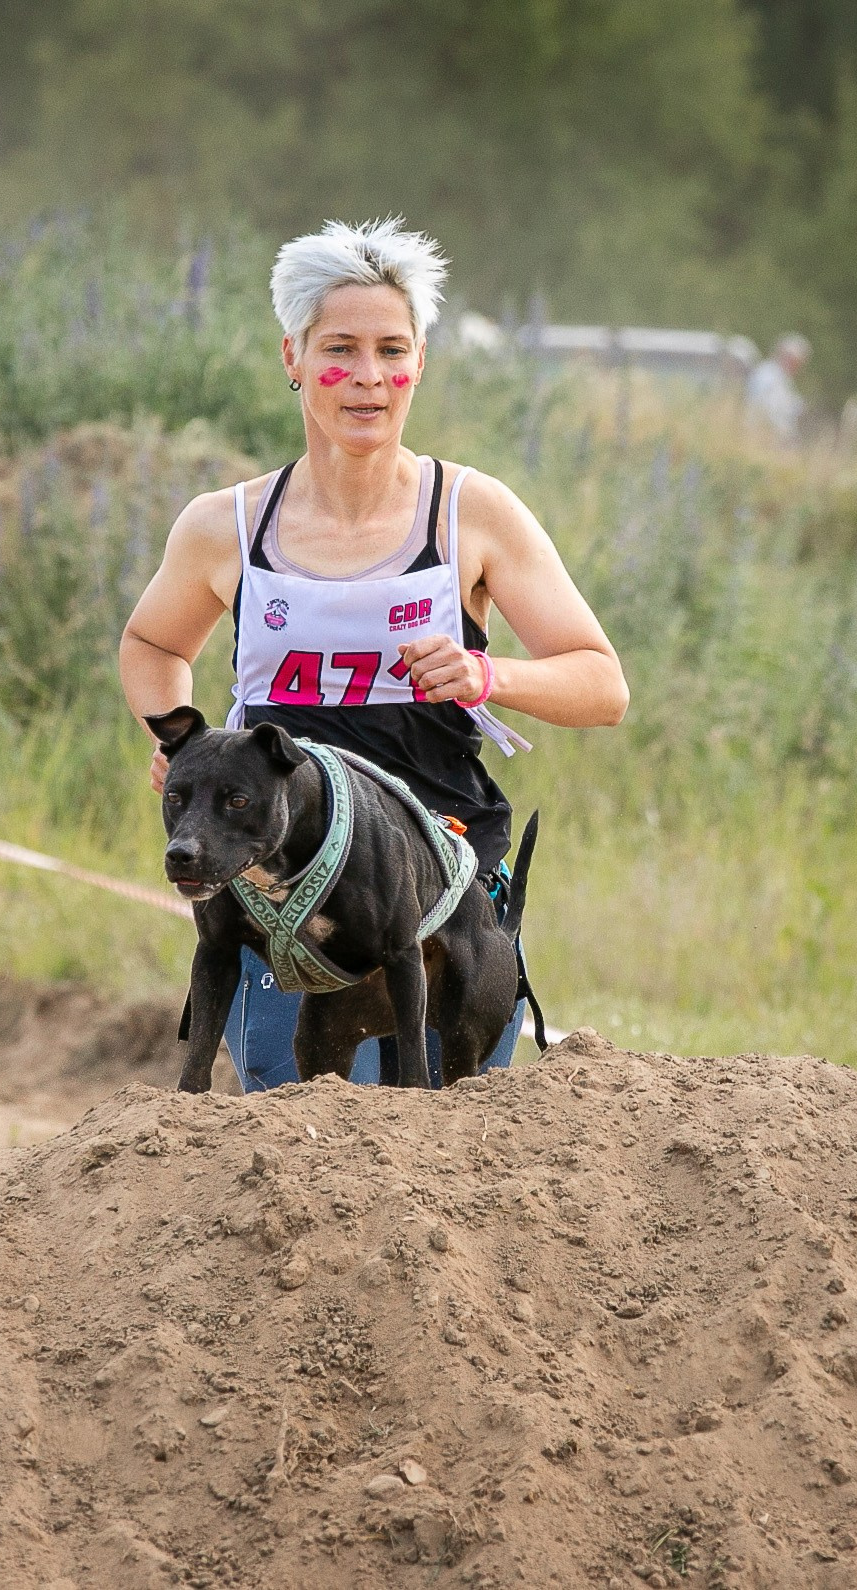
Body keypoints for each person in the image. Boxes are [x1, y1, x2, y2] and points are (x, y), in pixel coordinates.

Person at [119, 218, 628, 1092]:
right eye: (339, 349)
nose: (366, 377)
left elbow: (601, 683)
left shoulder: (472, 513)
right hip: (283, 885)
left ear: (420, 362)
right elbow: (153, 642)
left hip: (439, 888)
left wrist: (485, 675)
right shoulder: (226, 525)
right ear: (291, 356)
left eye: (391, 350)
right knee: (293, 1152)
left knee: (452, 1157)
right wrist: (175, 747)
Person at [745, 333, 810, 443]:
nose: (797, 366)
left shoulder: (783, 379)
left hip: (774, 437)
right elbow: (766, 410)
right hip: (762, 436)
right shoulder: (766, 375)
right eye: (795, 361)